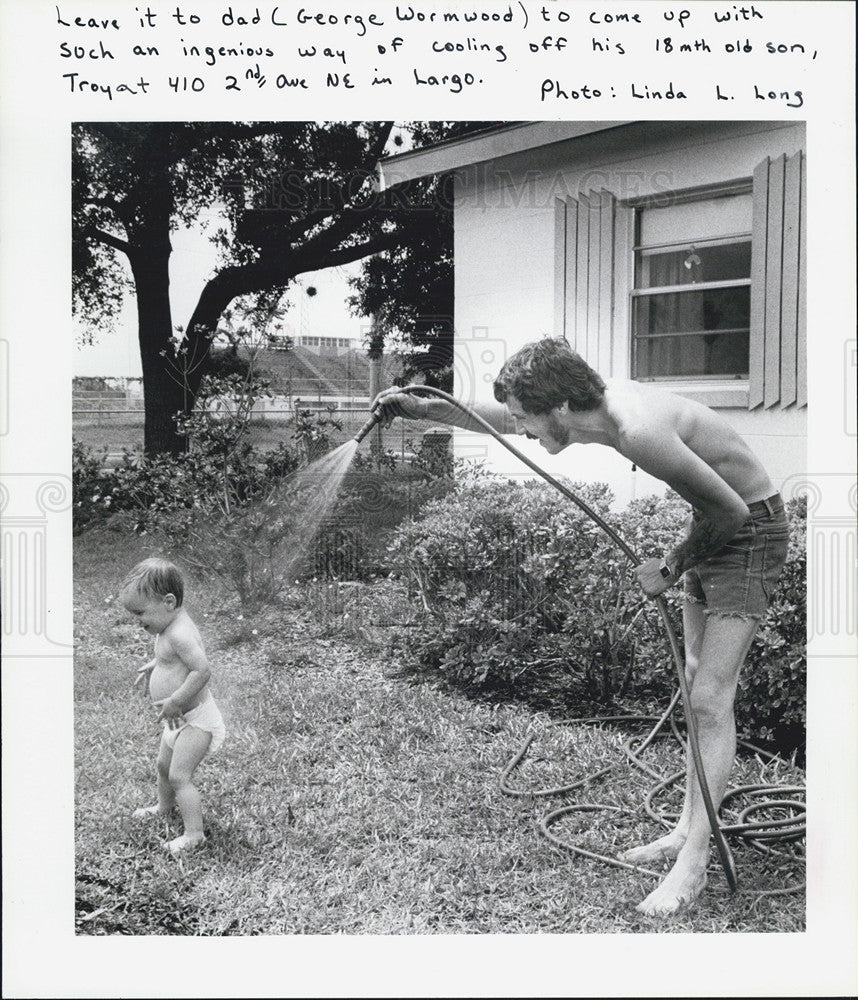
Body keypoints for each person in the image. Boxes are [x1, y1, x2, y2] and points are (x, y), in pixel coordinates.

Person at [373, 338, 789, 916]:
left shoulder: (638, 430)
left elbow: (735, 514)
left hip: (748, 532)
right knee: (696, 683)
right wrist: (425, 408)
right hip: (714, 522)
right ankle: (685, 828)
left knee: (710, 700)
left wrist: (670, 565)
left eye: (527, 419)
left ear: (560, 407)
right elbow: (500, 417)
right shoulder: (584, 406)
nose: (523, 432)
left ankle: (694, 863)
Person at [120, 558, 226, 855]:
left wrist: (176, 700)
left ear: (168, 602)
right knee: (163, 766)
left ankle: (195, 834)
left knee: (180, 775)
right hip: (177, 720)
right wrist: (155, 664)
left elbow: (202, 671)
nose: (138, 621)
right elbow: (173, 658)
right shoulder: (167, 628)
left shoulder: (180, 632)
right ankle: (165, 806)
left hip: (194, 720)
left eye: (140, 613)